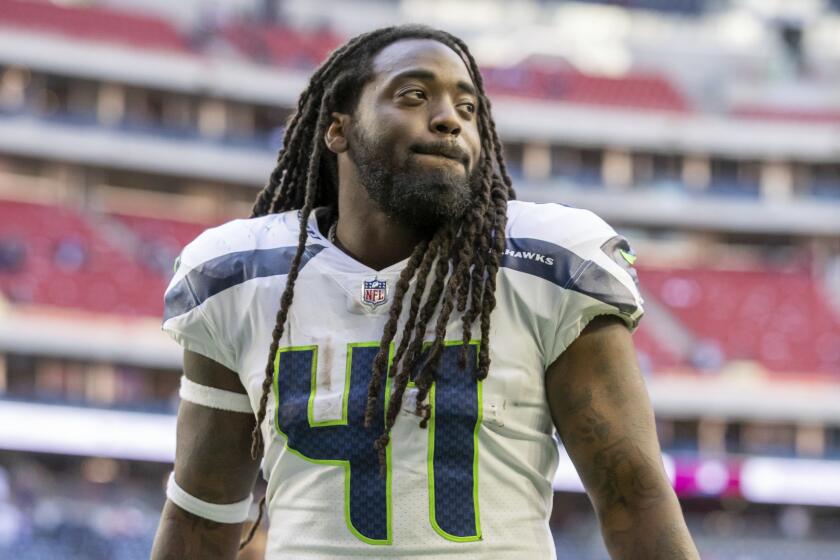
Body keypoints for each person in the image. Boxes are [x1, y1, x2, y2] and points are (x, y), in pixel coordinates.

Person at [150, 24, 700, 560]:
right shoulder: (240, 277)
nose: (448, 120)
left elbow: (635, 500)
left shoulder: (544, 265)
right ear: (337, 129)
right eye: (414, 95)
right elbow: (201, 514)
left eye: (467, 109)